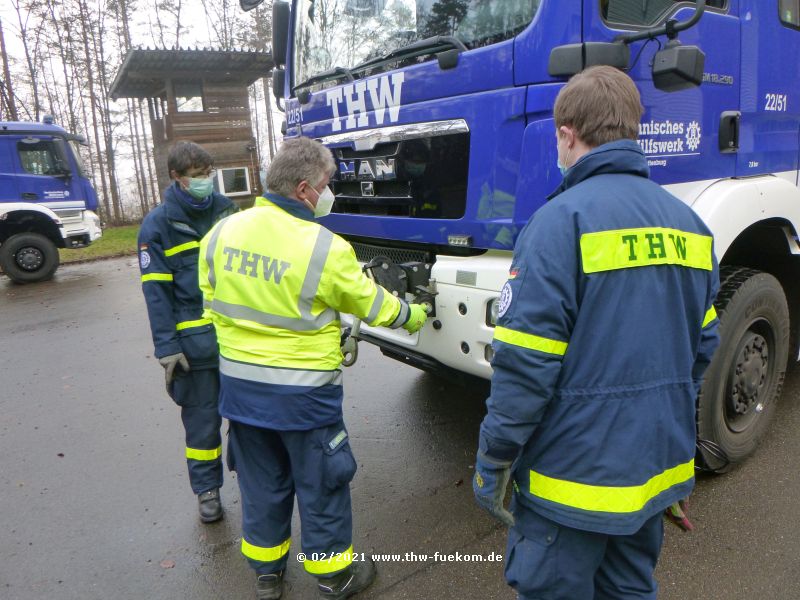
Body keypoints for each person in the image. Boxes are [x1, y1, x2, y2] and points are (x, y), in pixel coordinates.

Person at [473, 66, 720, 599]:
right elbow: (702, 347)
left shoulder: (559, 223)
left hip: (572, 484)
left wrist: (494, 458)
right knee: (631, 589)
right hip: (652, 473)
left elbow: (524, 367)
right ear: (634, 129)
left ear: (567, 134)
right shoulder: (691, 227)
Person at [198, 136, 428, 600]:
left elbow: (211, 304)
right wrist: (415, 312)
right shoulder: (323, 248)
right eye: (326, 185)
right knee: (322, 486)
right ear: (305, 190)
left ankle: (267, 576)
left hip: (242, 396)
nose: (329, 193)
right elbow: (375, 306)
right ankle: (335, 577)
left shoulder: (221, 233)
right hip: (304, 400)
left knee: (262, 488)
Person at [138, 141, 237, 524]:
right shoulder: (158, 225)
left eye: (208, 174)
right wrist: (167, 348)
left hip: (236, 341)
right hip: (194, 352)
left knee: (249, 420)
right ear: (176, 178)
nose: (205, 182)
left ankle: (251, 477)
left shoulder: (229, 213)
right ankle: (207, 491)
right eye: (196, 177)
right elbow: (157, 294)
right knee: (202, 425)